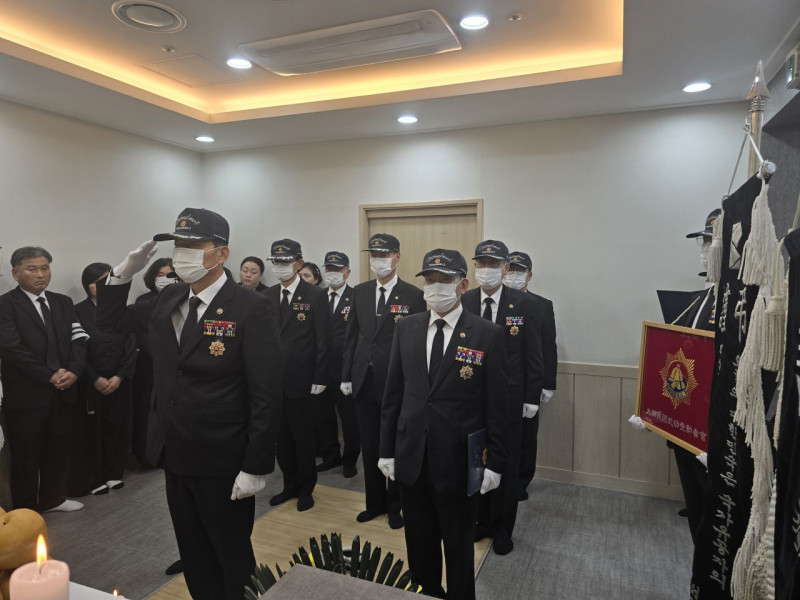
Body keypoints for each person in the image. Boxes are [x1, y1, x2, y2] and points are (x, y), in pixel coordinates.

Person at [95, 208, 283, 600]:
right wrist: (122, 273)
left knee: (230, 550)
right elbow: (110, 322)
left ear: (222, 253)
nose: (183, 254)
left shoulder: (251, 306)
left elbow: (265, 391)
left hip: (223, 454)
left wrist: (256, 464)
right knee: (193, 549)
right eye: (179, 245)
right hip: (174, 447)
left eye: (194, 246)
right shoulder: (169, 298)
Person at [379, 248, 509, 600]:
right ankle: (427, 593)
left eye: (444, 280)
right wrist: (386, 450)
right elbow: (394, 394)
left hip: (458, 461)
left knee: (458, 546)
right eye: (430, 280)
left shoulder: (487, 334)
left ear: (462, 285)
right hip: (412, 457)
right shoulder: (406, 327)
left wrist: (495, 462)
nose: (435, 287)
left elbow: (498, 407)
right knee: (419, 544)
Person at [462, 240, 543, 555]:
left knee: (505, 468)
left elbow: (533, 354)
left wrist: (532, 397)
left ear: (505, 268)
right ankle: (480, 522)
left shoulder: (524, 304)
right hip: (473, 399)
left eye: (493, 264)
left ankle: (503, 529)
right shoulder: (465, 300)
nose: (486, 269)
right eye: (481, 263)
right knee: (476, 463)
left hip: (510, 400)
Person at [341, 233, 425, 529]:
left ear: (397, 257)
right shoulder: (360, 291)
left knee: (394, 445)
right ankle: (373, 503)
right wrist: (346, 375)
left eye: (384, 255)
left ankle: (395, 505)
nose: (378, 260)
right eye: (374, 255)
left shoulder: (413, 295)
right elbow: (351, 336)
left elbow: (417, 344)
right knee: (370, 444)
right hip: (364, 380)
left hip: (396, 382)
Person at [0, 246, 88, 512]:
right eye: (32, 269)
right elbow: (11, 348)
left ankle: (53, 498)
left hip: (63, 389)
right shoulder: (5, 304)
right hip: (26, 394)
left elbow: (79, 339)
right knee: (26, 455)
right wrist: (49, 375)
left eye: (45, 268)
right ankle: (26, 508)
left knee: (58, 448)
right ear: (16, 273)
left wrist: (74, 371)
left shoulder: (63, 302)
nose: (40, 274)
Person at [264, 239, 330, 512]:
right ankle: (289, 485)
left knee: (303, 439)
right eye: (276, 262)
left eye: (285, 262)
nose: (280, 267)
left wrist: (320, 377)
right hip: (273, 382)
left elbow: (323, 339)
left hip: (303, 380)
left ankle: (306, 488)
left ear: (298, 263)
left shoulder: (315, 295)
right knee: (282, 440)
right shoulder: (267, 296)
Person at [668, 209, 717, 545]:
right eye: (704, 242)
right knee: (696, 505)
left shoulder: (746, 299)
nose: (704, 249)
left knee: (715, 517)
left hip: (715, 425)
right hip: (687, 420)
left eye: (711, 242)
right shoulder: (702, 297)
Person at [70, 262, 137, 497]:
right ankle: (94, 476)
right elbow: (76, 348)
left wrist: (119, 376)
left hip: (119, 379)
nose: (102, 287)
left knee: (116, 426)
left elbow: (131, 347)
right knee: (90, 429)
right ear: (86, 285)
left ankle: (113, 472)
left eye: (107, 281)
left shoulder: (124, 311)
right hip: (90, 380)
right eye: (96, 282)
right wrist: (94, 378)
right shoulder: (77, 311)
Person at [503, 251, 557, 501]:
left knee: (526, 436)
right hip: (499, 381)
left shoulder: (541, 305)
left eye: (519, 271)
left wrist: (547, 384)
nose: (513, 275)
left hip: (527, 383)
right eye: (510, 269)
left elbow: (547, 347)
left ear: (529, 275)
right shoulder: (495, 302)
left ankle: (521, 481)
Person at [315, 252, 360, 478]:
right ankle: (330, 455)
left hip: (346, 369)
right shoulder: (317, 297)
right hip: (321, 369)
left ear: (347, 272)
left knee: (350, 419)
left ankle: (349, 460)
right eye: (329, 269)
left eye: (337, 269)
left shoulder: (356, 296)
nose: (332, 273)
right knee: (324, 418)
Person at [131, 257, 177, 468]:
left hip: (174, 367)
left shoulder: (181, 298)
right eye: (160, 275)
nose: (164, 279)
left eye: (169, 275)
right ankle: (146, 455)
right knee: (146, 411)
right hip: (149, 366)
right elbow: (143, 336)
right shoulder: (144, 301)